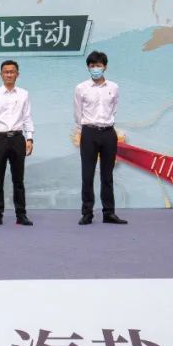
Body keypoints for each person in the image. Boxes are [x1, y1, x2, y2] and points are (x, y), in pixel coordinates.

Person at [74, 51, 127, 225]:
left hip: (108, 133)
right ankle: (87, 213)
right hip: (89, 132)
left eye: (99, 65)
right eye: (92, 66)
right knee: (87, 175)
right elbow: (78, 112)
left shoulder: (114, 87)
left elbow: (114, 109)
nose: (95, 69)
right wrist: (81, 131)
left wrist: (107, 124)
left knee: (107, 175)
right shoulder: (81, 88)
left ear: (105, 67)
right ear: (88, 67)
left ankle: (109, 213)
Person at [0, 59, 34, 227]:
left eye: (12, 72)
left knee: (18, 179)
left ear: (17, 74)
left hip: (18, 138)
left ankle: (21, 215)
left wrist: (30, 138)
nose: (9, 74)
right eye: (6, 72)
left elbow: (27, 117)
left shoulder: (24, 94)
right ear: (1, 74)